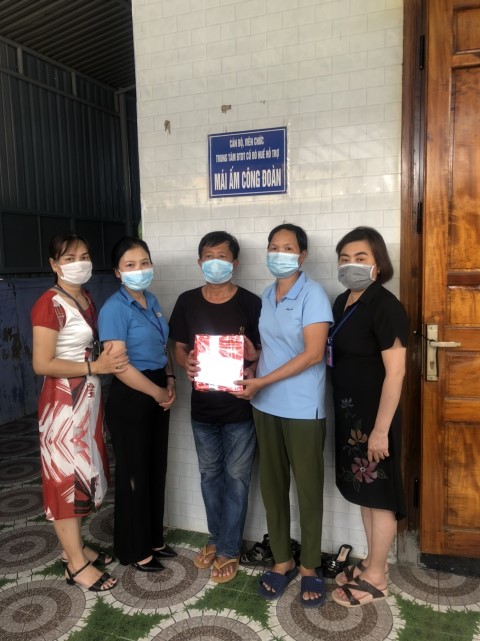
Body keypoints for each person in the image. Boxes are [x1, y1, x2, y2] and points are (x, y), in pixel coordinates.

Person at [232, 223, 333, 608]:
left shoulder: (313, 294)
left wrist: (262, 381)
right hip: (264, 404)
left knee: (307, 489)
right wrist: (252, 360)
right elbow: (272, 349)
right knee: (272, 486)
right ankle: (282, 559)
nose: (279, 254)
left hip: (303, 407)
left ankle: (309, 565)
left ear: (302, 255)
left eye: (287, 248)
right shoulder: (266, 294)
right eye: (273, 247)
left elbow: (312, 354)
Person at [31, 233, 129, 592]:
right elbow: (42, 363)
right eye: (69, 258)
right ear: (54, 264)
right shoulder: (50, 303)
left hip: (86, 399)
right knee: (65, 482)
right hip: (62, 406)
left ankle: (74, 548)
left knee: (83, 475)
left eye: (84, 256)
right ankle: (75, 564)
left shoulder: (84, 297)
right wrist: (94, 368)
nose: (79, 263)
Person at [169, 231, 261, 584]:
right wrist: (186, 363)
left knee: (237, 479)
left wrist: (254, 362)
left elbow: (265, 351)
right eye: (209, 256)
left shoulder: (251, 303)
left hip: (239, 410)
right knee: (210, 477)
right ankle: (217, 538)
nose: (215, 263)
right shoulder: (187, 301)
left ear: (235, 263)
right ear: (199, 262)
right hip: (203, 410)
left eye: (222, 256)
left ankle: (229, 549)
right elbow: (178, 348)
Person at [329, 227, 407, 608]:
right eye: (345, 258)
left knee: (381, 498)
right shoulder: (342, 301)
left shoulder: (385, 306)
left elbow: (396, 372)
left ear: (378, 264)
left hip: (376, 421)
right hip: (352, 419)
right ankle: (373, 562)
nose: (351, 265)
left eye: (360, 258)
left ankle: (377, 578)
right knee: (365, 492)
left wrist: (380, 430)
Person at [98, 237, 176, 572]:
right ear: (118, 272)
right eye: (130, 265)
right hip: (132, 394)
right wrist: (157, 393)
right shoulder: (114, 309)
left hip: (157, 385)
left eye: (144, 262)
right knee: (134, 474)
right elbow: (119, 366)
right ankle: (135, 549)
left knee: (156, 467)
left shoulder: (151, 300)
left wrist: (169, 379)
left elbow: (162, 344)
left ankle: (153, 538)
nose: (139, 270)